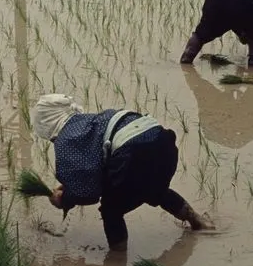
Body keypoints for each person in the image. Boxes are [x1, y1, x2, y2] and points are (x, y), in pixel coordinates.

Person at [31, 94, 213, 252]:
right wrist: (73, 183)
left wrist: (64, 200)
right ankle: (198, 221)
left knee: (111, 210)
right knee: (155, 189)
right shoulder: (88, 120)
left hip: (132, 153)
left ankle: (117, 260)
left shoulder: (65, 142)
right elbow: (97, 166)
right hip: (161, 140)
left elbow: (87, 193)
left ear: (48, 125)